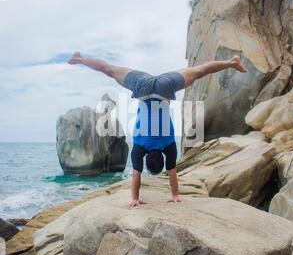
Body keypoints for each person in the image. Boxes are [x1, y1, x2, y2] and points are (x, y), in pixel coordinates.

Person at [68, 52, 248, 208]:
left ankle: (232, 62)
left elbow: (172, 173)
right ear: (147, 159)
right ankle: (80, 59)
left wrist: (175, 195)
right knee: (110, 70)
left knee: (199, 71)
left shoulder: (169, 144)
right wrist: (135, 199)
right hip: (144, 86)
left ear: (162, 158)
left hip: (164, 86)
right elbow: (136, 175)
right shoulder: (140, 146)